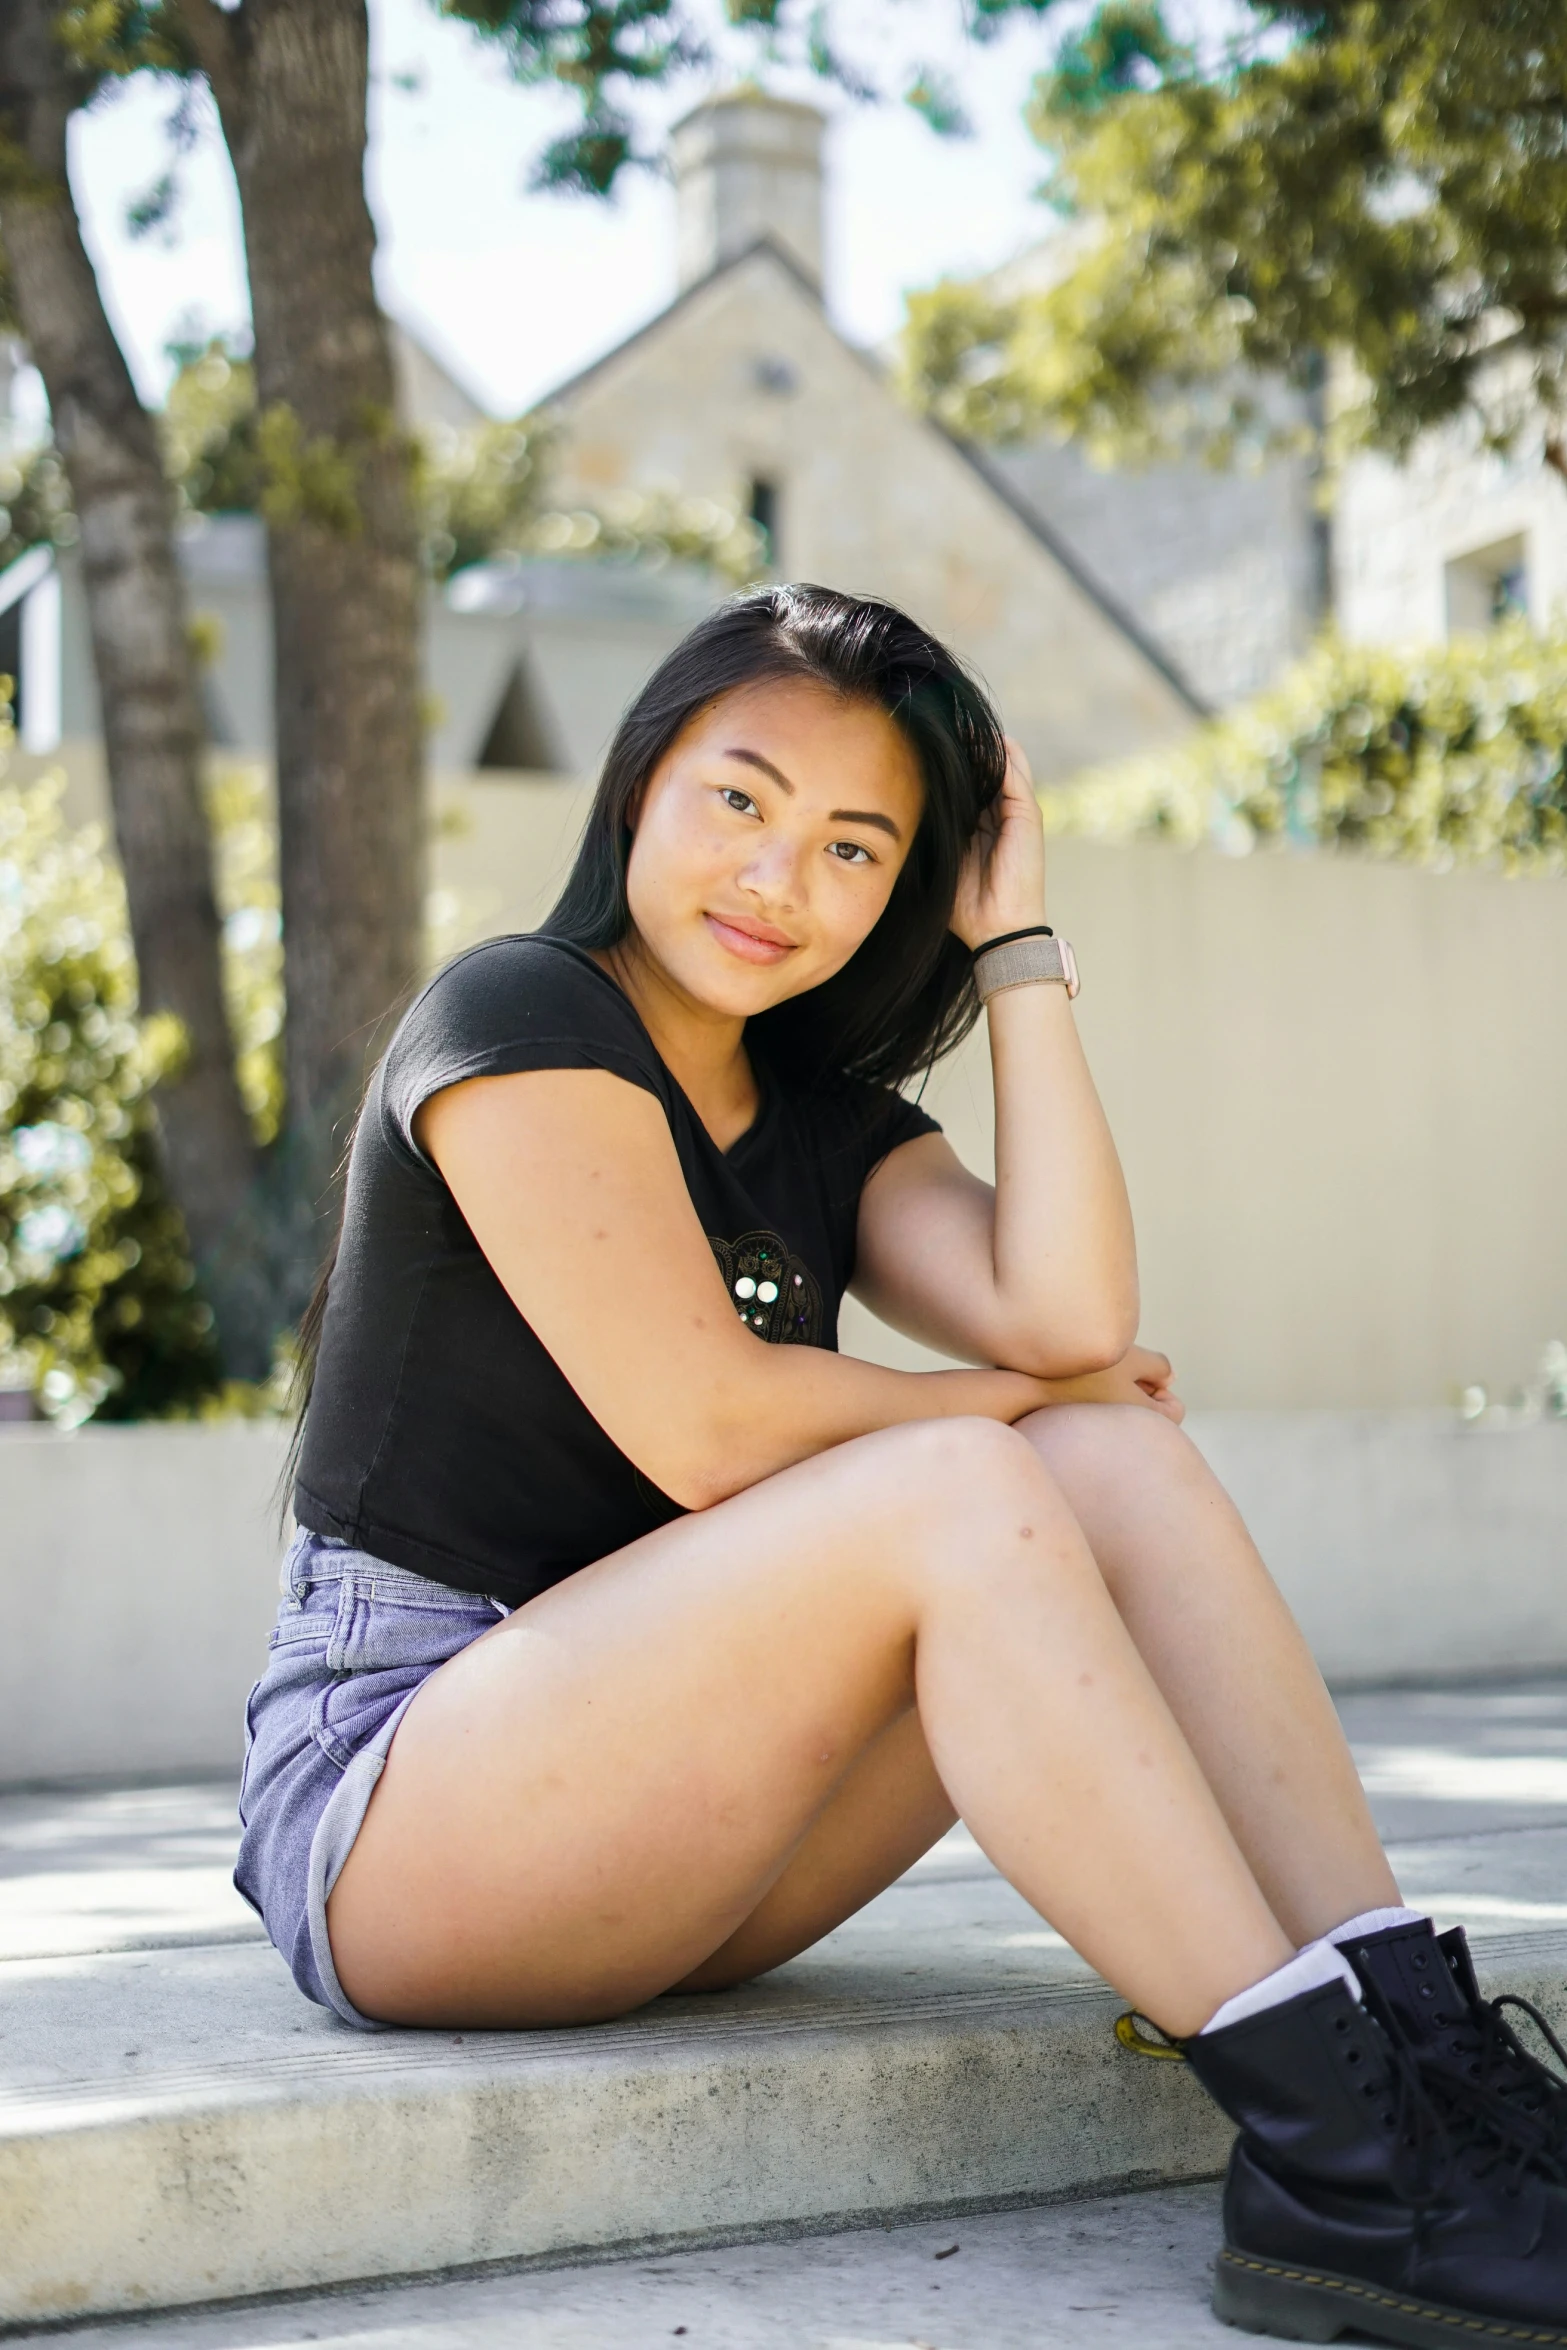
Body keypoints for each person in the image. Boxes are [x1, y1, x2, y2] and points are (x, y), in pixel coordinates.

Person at [236, 585, 1567, 2344]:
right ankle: (1345, 2163)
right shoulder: (518, 1015)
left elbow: (1069, 1312)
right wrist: (999, 1406)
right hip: (399, 1814)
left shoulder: (827, 1121)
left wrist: (1012, 946)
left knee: (1097, 1454)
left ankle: (1419, 2059)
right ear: (640, 783)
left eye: (856, 847)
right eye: (741, 799)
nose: (778, 877)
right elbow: (706, 1425)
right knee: (990, 1467)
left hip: (665, 1833)